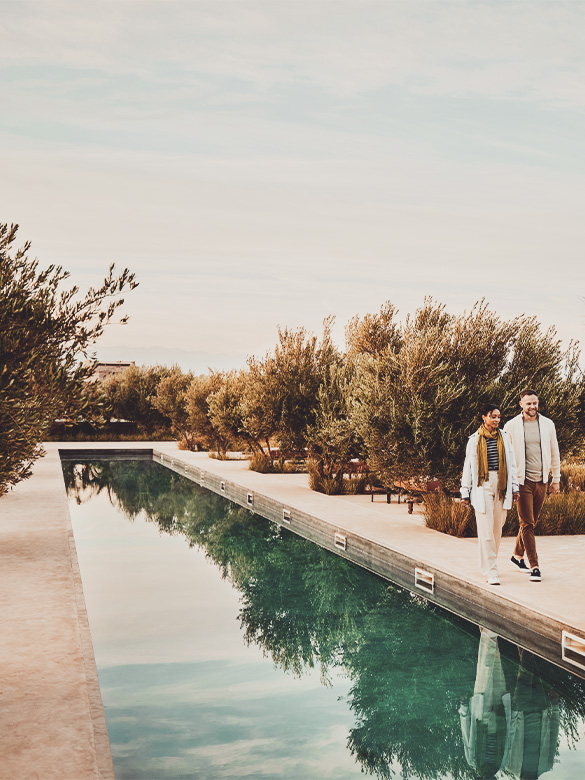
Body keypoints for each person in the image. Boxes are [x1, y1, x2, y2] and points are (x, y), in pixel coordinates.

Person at [503, 389, 561, 583]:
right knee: (527, 523)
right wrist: (510, 484)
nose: (532, 407)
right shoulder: (511, 426)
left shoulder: (547, 424)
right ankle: (534, 566)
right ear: (521, 404)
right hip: (522, 482)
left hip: (542, 481)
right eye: (528, 403)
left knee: (530, 522)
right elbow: (507, 457)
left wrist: (556, 479)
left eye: (535, 403)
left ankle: (516, 555)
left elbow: (555, 452)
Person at [461, 403, 519, 585]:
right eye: (492, 416)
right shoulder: (475, 439)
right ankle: (491, 570)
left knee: (497, 529)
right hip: (482, 484)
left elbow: (512, 463)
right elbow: (468, 468)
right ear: (483, 417)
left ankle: (489, 564)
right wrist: (465, 492)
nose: (496, 420)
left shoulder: (504, 437)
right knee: (486, 529)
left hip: (501, 485)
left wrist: (515, 487)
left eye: (498, 417)